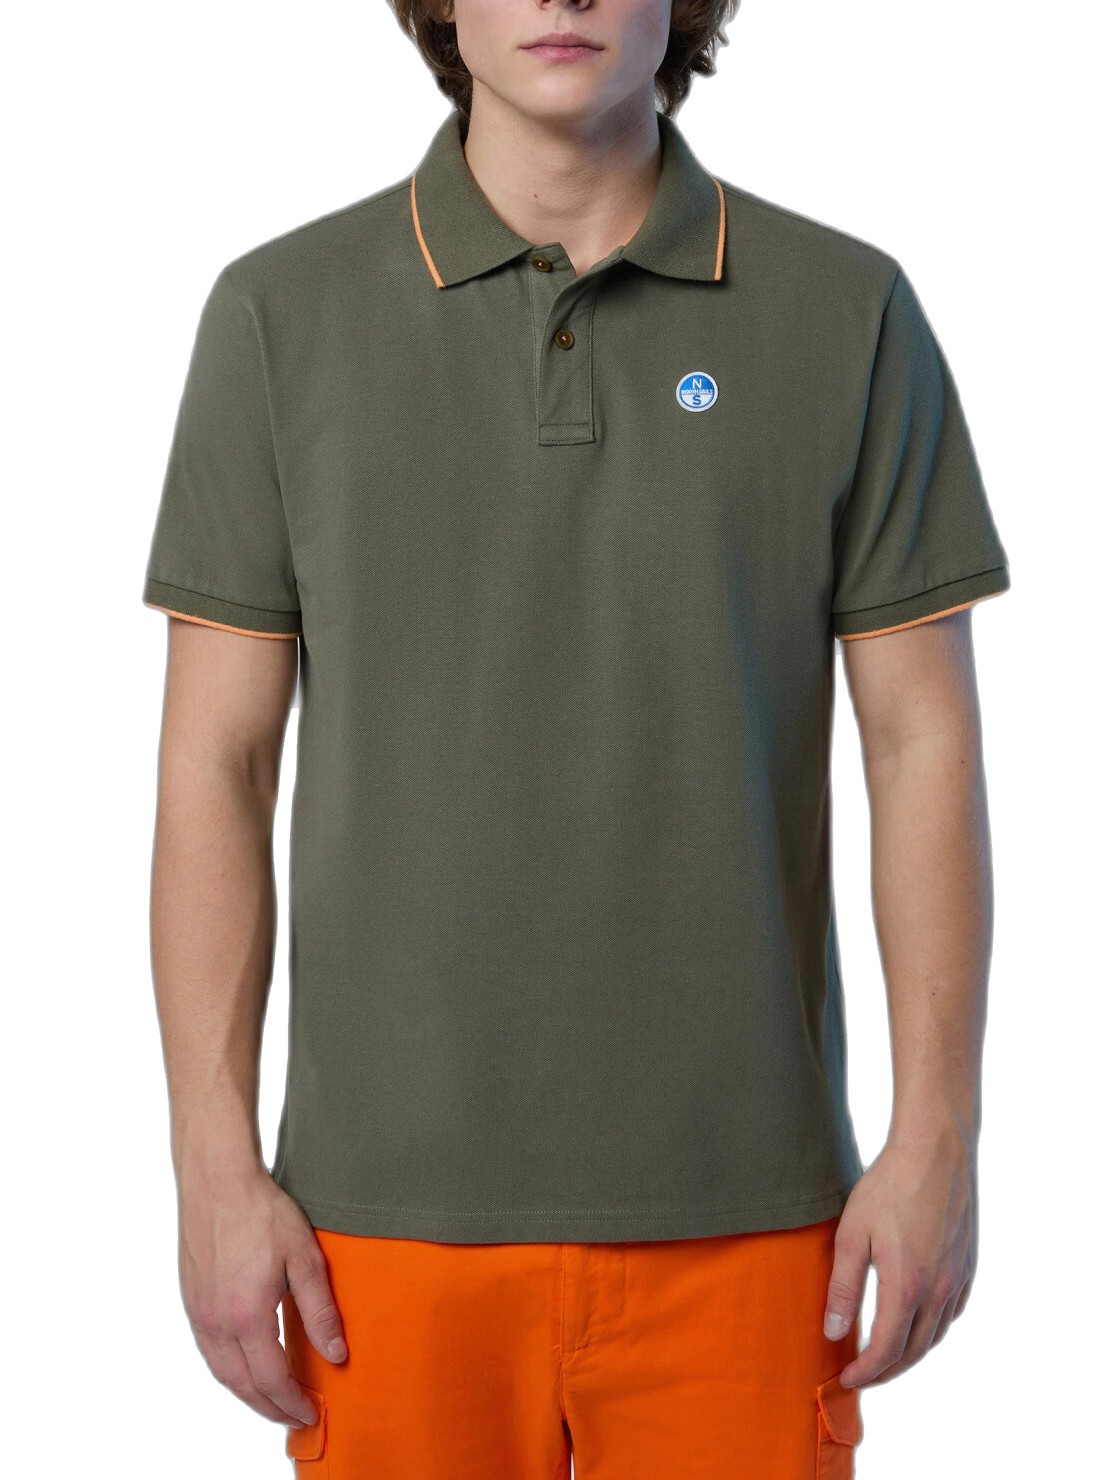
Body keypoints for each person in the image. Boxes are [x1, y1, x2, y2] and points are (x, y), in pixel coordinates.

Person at [141, 0, 1011, 1474]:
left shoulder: (843, 310)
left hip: (752, 1222)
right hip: (378, 1234)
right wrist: (211, 1168)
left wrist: (937, 1142)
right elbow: (215, 767)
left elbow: (920, 744)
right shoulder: (280, 316)